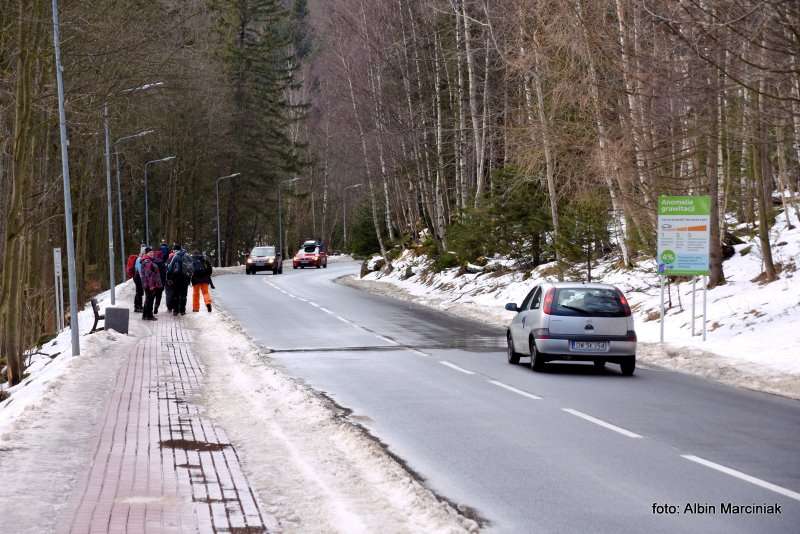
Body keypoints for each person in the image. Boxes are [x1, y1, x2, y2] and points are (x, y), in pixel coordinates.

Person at [167, 243, 192, 315]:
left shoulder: (176, 256)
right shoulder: (187, 255)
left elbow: (170, 267)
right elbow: (191, 267)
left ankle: (176, 310)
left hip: (176, 278)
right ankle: (182, 310)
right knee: (184, 295)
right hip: (185, 278)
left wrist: (169, 277)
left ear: (175, 250)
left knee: (176, 294)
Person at [140, 249, 162, 321]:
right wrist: (151, 285)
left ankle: (145, 315)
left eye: (152, 252)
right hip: (149, 285)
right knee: (150, 300)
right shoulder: (147, 262)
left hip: (147, 284)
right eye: (150, 252)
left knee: (148, 299)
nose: (152, 253)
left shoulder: (148, 261)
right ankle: (149, 316)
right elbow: (148, 275)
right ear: (146, 253)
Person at [152, 249, 167, 315]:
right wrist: (163, 283)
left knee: (152, 295)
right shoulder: (162, 263)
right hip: (160, 282)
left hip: (153, 282)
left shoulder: (152, 262)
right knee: (159, 296)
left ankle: (151, 307)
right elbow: (164, 274)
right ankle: (156, 308)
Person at [132, 245, 146, 313]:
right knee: (139, 292)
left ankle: (139, 306)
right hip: (138, 277)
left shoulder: (140, 258)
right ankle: (137, 307)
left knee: (140, 292)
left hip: (138, 277)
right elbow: (140, 270)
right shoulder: (140, 259)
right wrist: (142, 279)